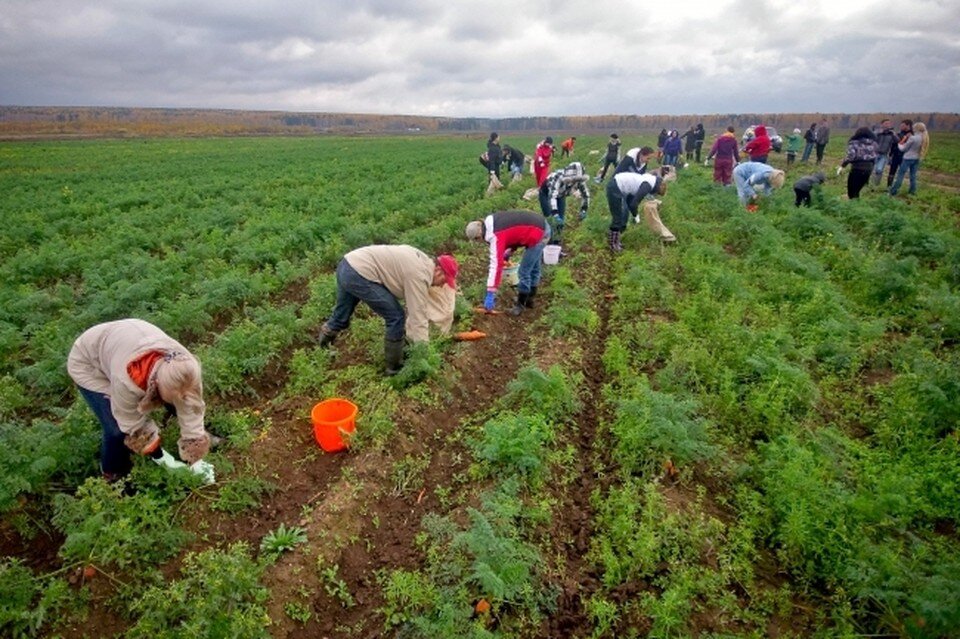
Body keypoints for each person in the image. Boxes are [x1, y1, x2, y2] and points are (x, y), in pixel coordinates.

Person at [67, 319, 216, 483]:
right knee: (116, 429)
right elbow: (132, 425)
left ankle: (194, 437)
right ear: (155, 386)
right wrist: (164, 460)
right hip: (89, 362)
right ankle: (113, 474)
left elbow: (191, 406)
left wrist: (195, 449)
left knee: (181, 398)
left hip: (124, 341)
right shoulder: (127, 381)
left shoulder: (186, 369)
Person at [317, 245, 458, 375]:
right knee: (396, 316)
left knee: (342, 314)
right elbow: (418, 317)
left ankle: (322, 348)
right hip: (359, 273)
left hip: (347, 264)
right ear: (439, 270)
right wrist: (424, 353)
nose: (442, 285)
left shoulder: (422, 260)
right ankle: (394, 368)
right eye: (444, 281)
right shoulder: (420, 276)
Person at [465, 210, 550, 316]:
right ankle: (529, 299)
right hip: (539, 225)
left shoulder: (495, 236)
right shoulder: (492, 221)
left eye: (477, 240)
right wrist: (510, 250)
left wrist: (490, 292)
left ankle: (521, 305)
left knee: (524, 272)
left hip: (539, 233)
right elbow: (514, 230)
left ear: (478, 236)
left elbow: (495, 265)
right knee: (534, 267)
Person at [605, 168, 668, 251]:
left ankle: (616, 241)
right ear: (657, 190)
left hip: (619, 185)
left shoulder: (650, 180)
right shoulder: (647, 186)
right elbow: (634, 204)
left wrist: (635, 214)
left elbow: (631, 202)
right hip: (615, 186)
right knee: (618, 217)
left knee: (623, 216)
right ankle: (613, 245)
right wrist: (636, 216)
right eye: (657, 193)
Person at [539, 161, 591, 239]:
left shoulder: (579, 181)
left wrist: (584, 209)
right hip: (546, 194)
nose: (574, 183)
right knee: (550, 217)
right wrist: (555, 214)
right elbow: (552, 196)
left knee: (561, 219)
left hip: (561, 195)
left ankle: (557, 239)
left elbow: (585, 195)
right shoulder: (557, 177)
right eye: (573, 181)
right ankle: (547, 239)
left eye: (577, 181)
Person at [889, 122, 929, 196]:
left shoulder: (913, 138)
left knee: (900, 175)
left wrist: (899, 144)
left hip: (908, 158)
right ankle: (912, 191)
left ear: (916, 129)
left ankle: (893, 191)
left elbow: (903, 149)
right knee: (913, 176)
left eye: (914, 128)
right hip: (917, 158)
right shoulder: (924, 138)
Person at [839, 127, 879, 199]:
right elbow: (875, 156)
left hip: (857, 168)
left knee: (851, 191)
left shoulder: (854, 143)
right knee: (857, 190)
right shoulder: (874, 143)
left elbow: (851, 156)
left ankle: (853, 206)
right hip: (868, 169)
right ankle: (856, 205)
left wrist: (842, 166)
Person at [886, 119, 912, 188]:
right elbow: (894, 144)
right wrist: (891, 154)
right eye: (901, 125)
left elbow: (901, 143)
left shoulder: (911, 135)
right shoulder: (900, 133)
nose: (901, 127)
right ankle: (889, 186)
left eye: (903, 125)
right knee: (892, 171)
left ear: (908, 125)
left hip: (904, 156)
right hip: (896, 155)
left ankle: (897, 187)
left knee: (902, 172)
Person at [871, 118, 898, 185]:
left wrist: (894, 134)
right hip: (875, 153)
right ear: (882, 124)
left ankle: (876, 185)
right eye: (886, 123)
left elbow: (897, 141)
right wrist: (880, 132)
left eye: (889, 123)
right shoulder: (878, 131)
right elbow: (872, 136)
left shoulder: (891, 133)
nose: (888, 125)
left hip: (884, 154)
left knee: (879, 170)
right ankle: (869, 184)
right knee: (872, 169)